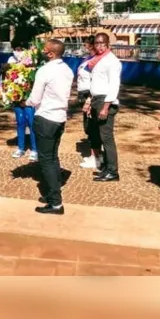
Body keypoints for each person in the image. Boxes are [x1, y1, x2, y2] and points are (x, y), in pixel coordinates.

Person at [26, 40, 74, 215]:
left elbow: (35, 98)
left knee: (46, 160)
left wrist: (24, 101)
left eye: (45, 50)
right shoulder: (67, 70)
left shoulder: (45, 70)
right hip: (59, 118)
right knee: (52, 157)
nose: (42, 52)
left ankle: (55, 203)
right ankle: (52, 193)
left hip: (46, 118)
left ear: (51, 54)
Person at [87, 32, 122, 182]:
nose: (99, 46)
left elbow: (114, 85)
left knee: (107, 138)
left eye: (102, 43)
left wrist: (106, 106)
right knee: (100, 136)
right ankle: (106, 168)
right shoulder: (98, 60)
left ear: (108, 44)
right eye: (97, 43)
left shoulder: (112, 61)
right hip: (97, 100)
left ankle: (113, 171)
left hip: (105, 101)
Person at [5, 39, 38, 161]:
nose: (18, 52)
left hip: (29, 98)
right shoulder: (11, 60)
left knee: (31, 123)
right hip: (16, 97)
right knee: (20, 123)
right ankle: (20, 148)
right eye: (15, 49)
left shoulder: (31, 60)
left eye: (20, 49)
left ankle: (35, 149)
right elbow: (7, 78)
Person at [76, 38, 101, 169]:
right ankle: (96, 154)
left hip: (89, 95)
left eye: (85, 43)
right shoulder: (87, 58)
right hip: (83, 94)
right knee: (88, 126)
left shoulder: (95, 60)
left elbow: (95, 80)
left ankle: (96, 157)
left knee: (92, 127)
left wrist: (90, 99)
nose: (84, 45)